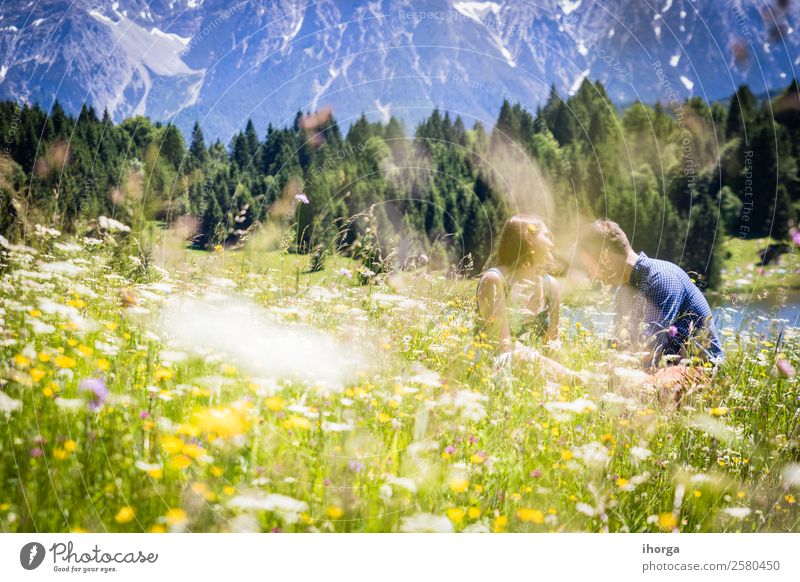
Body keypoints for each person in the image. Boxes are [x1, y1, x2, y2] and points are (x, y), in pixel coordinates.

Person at [576, 219, 724, 372]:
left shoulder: (663, 278)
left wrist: (615, 368)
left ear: (604, 258)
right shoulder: (623, 292)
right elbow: (619, 344)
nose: (590, 275)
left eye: (589, 266)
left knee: (630, 380)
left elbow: (651, 348)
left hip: (701, 369)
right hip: (662, 369)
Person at [476, 215, 584, 383]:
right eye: (546, 236)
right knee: (525, 359)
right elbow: (503, 345)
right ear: (529, 237)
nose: (552, 242)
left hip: (537, 371)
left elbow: (552, 346)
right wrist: (566, 375)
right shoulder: (495, 280)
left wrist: (561, 377)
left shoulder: (551, 286)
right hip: (494, 368)